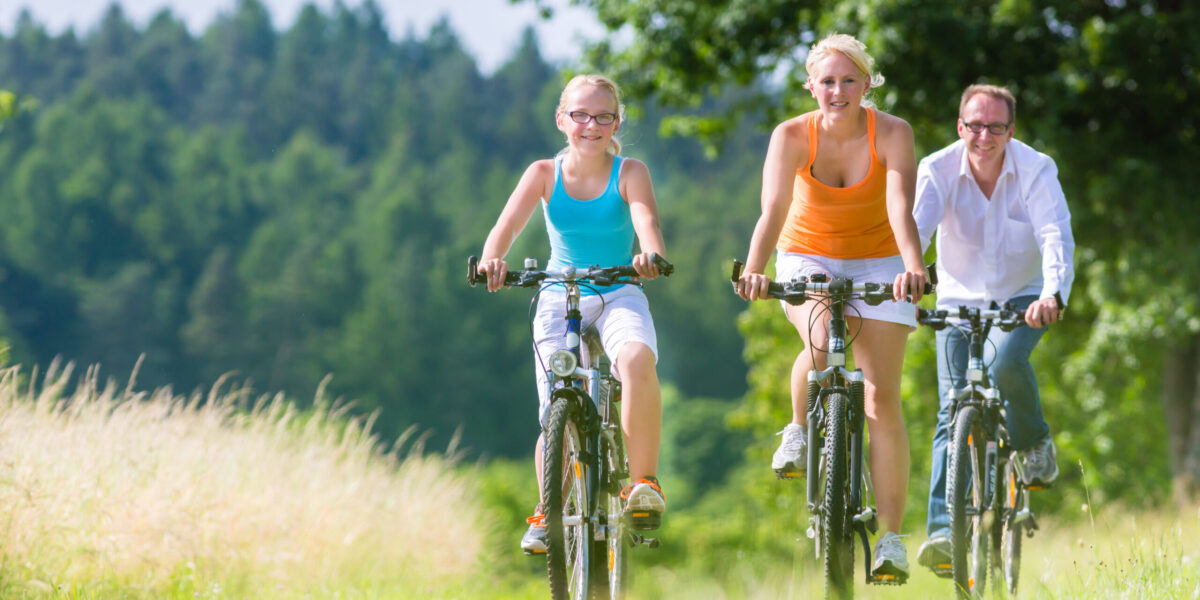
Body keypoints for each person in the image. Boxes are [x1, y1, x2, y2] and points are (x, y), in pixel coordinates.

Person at [734, 33, 928, 579]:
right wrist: (754, 268)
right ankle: (798, 428)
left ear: (867, 84)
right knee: (819, 338)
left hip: (880, 257)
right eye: (827, 81)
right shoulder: (792, 134)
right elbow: (772, 208)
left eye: (849, 80)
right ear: (810, 86)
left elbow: (899, 206)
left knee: (881, 395)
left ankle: (889, 538)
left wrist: (913, 266)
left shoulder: (892, 132)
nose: (837, 91)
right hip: (807, 252)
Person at [476, 74, 669, 554]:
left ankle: (642, 484)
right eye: (580, 115)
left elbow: (647, 221)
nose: (591, 125)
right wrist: (491, 260)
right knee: (558, 403)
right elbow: (507, 225)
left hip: (619, 290)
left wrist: (650, 253)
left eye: (604, 116)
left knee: (637, 358)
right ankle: (549, 508)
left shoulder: (630, 171)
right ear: (562, 120)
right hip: (559, 295)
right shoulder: (544, 172)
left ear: (616, 122)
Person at [911, 83, 1074, 573]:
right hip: (958, 300)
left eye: (995, 127)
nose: (984, 135)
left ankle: (1032, 441)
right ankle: (943, 531)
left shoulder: (1036, 168)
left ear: (1011, 130)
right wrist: (908, 279)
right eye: (975, 125)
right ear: (960, 127)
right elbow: (914, 233)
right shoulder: (936, 169)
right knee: (950, 411)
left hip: (1025, 296)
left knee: (1005, 362)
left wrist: (1052, 294)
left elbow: (1054, 233)